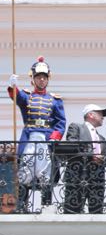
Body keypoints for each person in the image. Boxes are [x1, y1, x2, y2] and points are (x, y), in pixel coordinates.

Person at [7, 56, 65, 213]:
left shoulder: (55, 100)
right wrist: (13, 86)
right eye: (38, 77)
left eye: (44, 77)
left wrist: (54, 137)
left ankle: (46, 206)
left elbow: (60, 122)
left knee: (45, 172)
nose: (41, 80)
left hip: (45, 138)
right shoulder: (27, 96)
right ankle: (21, 206)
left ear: (48, 79)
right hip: (29, 137)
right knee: (25, 171)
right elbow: (17, 98)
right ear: (32, 79)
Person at [60, 104, 106, 214]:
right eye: (100, 113)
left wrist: (103, 159)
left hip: (97, 180)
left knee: (97, 213)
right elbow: (72, 146)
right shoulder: (76, 127)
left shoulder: (101, 138)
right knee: (72, 212)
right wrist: (92, 155)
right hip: (77, 177)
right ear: (90, 115)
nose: (102, 117)